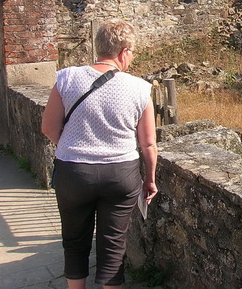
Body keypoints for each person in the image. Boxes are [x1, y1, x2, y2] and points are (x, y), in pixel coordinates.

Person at [42, 19, 158, 289]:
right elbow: (148, 144)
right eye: (132, 52)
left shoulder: (67, 78)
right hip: (120, 173)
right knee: (113, 244)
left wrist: (71, 145)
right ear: (123, 52)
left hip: (73, 171)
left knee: (74, 239)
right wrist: (150, 179)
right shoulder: (140, 89)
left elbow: (48, 127)